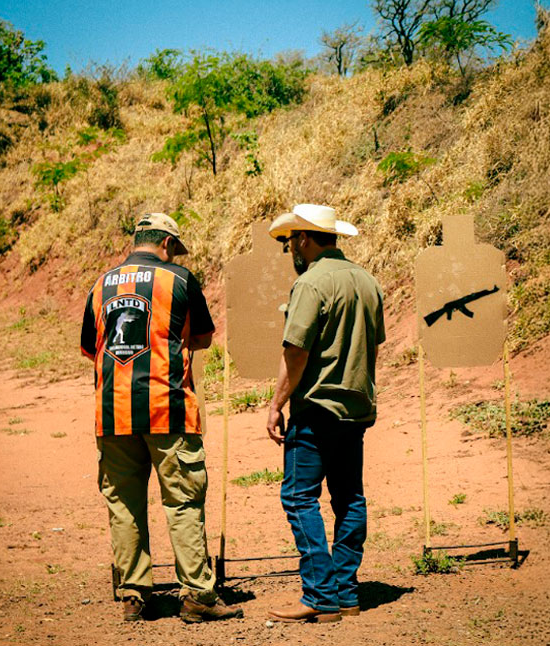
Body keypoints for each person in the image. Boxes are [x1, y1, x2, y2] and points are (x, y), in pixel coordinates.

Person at [80, 212, 243, 624]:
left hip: (112, 413)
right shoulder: (180, 279)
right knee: (183, 501)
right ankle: (197, 595)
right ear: (167, 244)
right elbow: (203, 337)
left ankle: (133, 595)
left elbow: (88, 347)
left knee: (123, 505)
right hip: (167, 409)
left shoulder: (100, 284)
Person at [264, 204, 386, 623]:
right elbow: (373, 344)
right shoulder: (367, 281)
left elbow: (295, 352)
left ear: (303, 239)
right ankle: (347, 593)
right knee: (349, 498)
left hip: (316, 409)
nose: (290, 250)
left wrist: (276, 404)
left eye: (290, 242)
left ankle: (319, 594)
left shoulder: (311, 283)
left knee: (299, 497)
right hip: (356, 408)